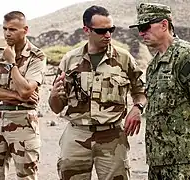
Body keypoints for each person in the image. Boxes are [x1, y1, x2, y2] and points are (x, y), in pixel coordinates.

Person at [48, 5, 146, 180]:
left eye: (111, 30)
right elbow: (56, 108)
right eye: (101, 31)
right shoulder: (70, 60)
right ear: (87, 30)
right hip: (77, 135)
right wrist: (54, 95)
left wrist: (137, 107)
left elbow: (140, 91)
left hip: (112, 137)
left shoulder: (124, 59)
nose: (108, 35)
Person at [129, 3, 190, 180]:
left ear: (164, 25)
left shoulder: (187, 57)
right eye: (139, 29)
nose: (141, 33)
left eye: (145, 27)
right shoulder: (154, 65)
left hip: (183, 161)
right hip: (158, 161)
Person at [0, 11, 46, 180]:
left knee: (26, 176)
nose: (7, 33)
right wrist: (18, 96)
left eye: (12, 29)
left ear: (25, 30)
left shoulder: (37, 56)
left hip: (23, 122)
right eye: (4, 29)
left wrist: (12, 63)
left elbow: (26, 90)